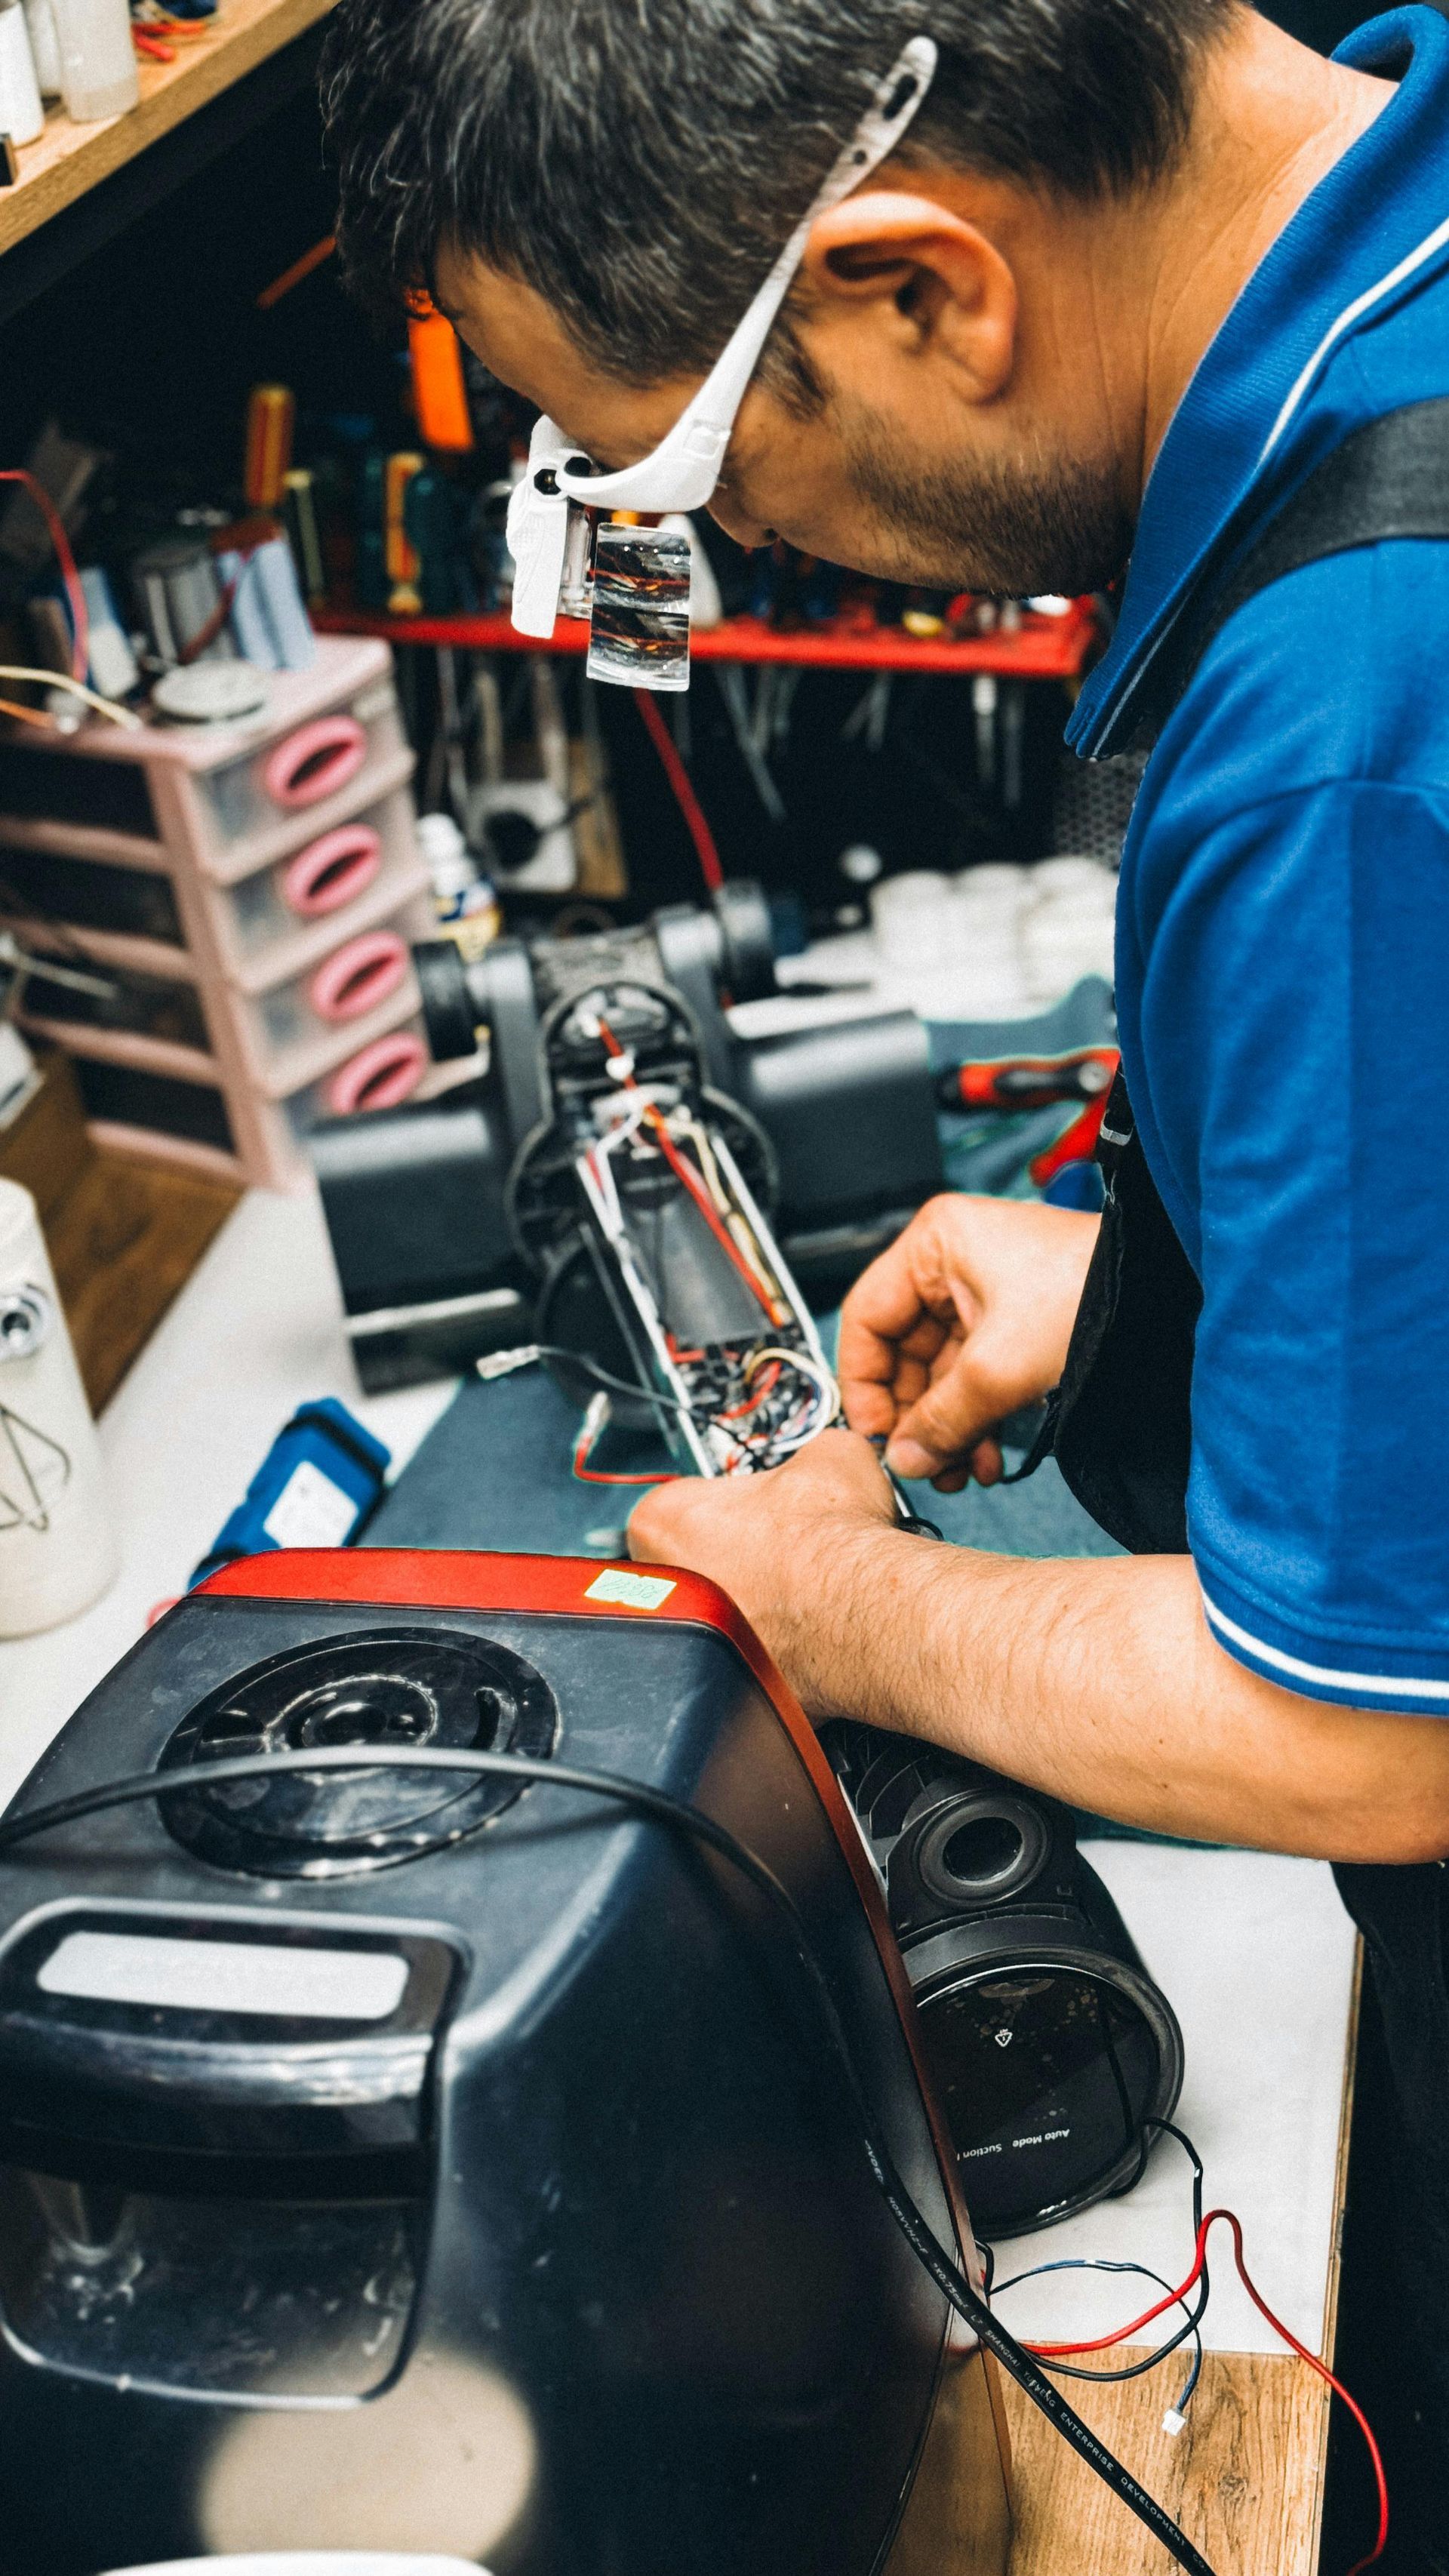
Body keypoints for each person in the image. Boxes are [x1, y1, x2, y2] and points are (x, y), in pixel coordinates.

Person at [324, 0, 1449, 2556]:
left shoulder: (1359, 708)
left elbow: (1385, 1731)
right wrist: (1193, 1277)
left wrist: (837, 1603)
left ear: (922, 290)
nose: (731, 555)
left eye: (692, 471)